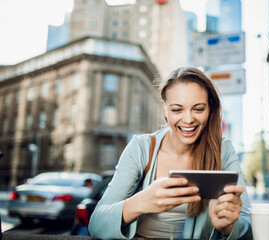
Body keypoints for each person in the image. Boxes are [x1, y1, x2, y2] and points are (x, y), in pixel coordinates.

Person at [88, 67, 252, 239]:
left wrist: (228, 226)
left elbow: (248, 227)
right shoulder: (141, 148)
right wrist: (141, 202)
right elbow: (96, 224)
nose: (188, 119)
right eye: (177, 110)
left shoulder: (223, 150)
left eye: (198, 109)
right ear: (164, 109)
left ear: (210, 107)